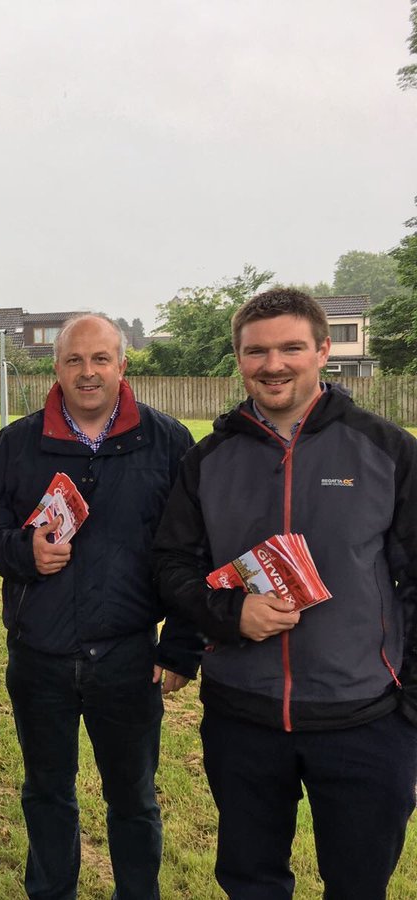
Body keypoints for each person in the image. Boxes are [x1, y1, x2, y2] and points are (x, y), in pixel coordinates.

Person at [153, 288, 417, 899]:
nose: (273, 364)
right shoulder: (208, 459)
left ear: (323, 351)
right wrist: (228, 614)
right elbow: (171, 563)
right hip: (243, 715)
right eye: (257, 351)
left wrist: (410, 706)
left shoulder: (387, 449)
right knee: (251, 882)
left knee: (358, 885)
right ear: (239, 359)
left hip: (364, 718)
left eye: (291, 348)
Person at [0, 313, 200, 900]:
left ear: (122, 365)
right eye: (74, 360)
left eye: (100, 359)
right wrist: (22, 550)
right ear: (57, 367)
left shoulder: (167, 442)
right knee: (46, 792)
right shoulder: (19, 442)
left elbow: (196, 546)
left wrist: (181, 645)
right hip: (40, 654)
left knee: (133, 798)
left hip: (128, 656)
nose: (87, 372)